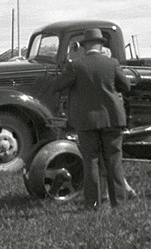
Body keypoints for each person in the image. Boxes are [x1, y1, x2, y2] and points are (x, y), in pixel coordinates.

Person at [53, 28, 132, 210]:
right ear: (101, 44)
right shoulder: (112, 63)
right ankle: (119, 204)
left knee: (91, 163)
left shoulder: (76, 65)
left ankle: (94, 204)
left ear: (84, 46)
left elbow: (58, 85)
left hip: (87, 121)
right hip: (112, 119)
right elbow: (125, 85)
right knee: (114, 161)